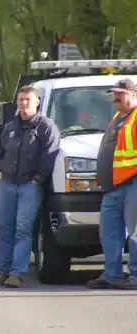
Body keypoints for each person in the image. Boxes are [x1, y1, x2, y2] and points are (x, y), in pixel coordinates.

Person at [0, 85, 60, 288]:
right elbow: (0, 151)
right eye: (20, 99)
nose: (23, 103)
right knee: (5, 228)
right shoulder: (11, 127)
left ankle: (16, 273)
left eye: (28, 99)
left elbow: (50, 155)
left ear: (37, 102)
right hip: (7, 183)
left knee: (22, 229)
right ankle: (3, 271)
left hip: (30, 185)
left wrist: (37, 179)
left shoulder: (46, 127)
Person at [87, 79, 137, 290]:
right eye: (114, 93)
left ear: (133, 95)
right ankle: (112, 274)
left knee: (135, 233)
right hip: (113, 186)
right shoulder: (118, 117)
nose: (115, 97)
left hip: (133, 183)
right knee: (109, 233)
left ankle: (135, 276)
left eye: (120, 93)